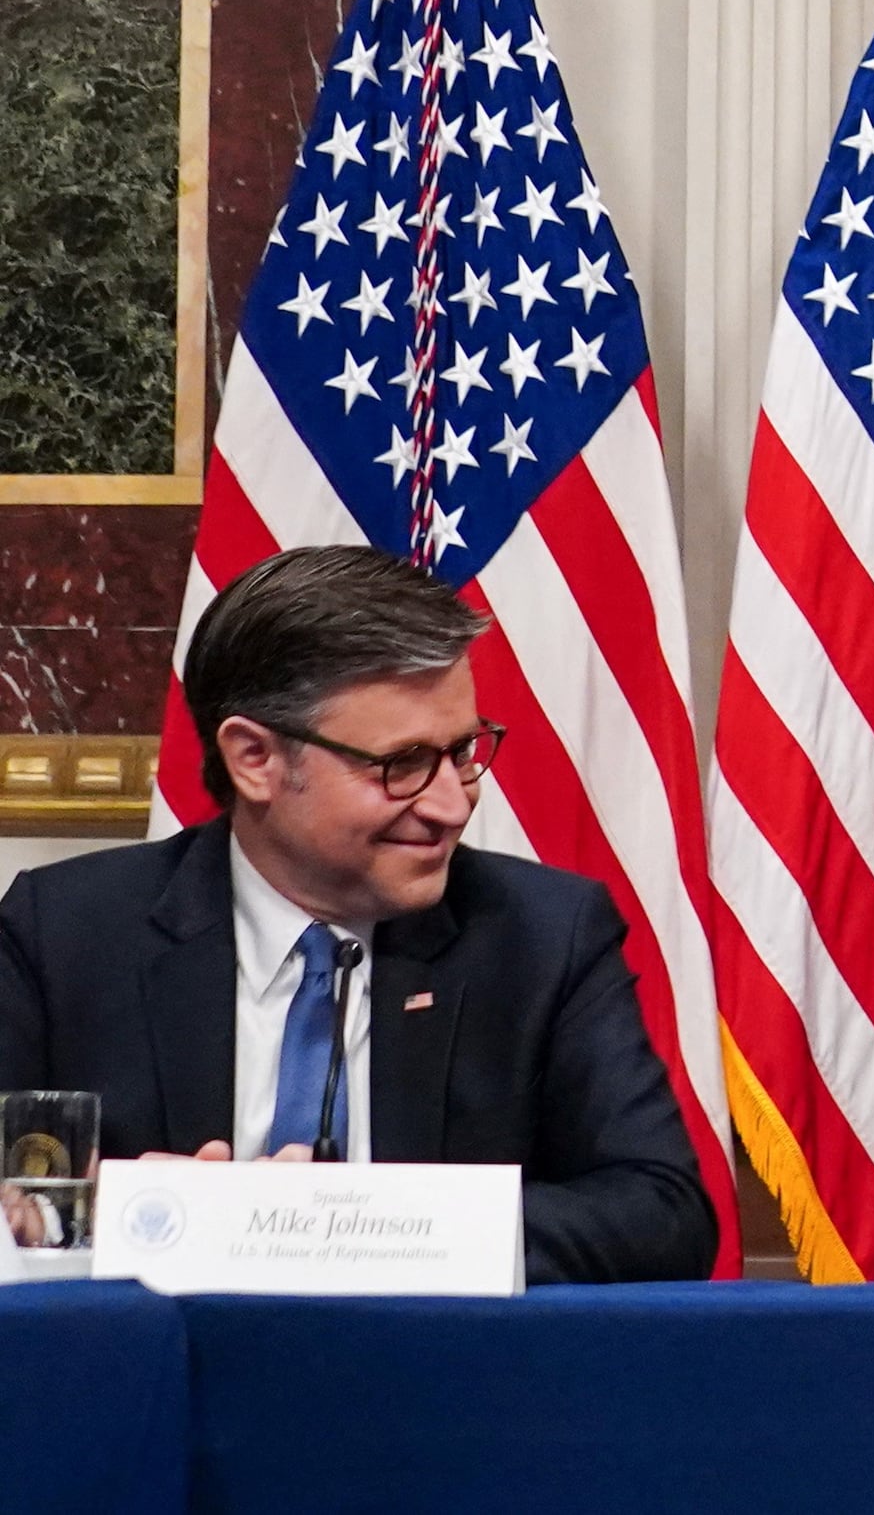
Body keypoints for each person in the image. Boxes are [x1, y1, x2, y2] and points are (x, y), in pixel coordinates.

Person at [0, 546, 715, 1283]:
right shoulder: (63, 933)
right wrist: (125, 1217)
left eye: (463, 751)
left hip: (440, 1383)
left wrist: (361, 1225)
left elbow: (663, 1215)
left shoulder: (543, 934)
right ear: (255, 759)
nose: (452, 803)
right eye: (401, 763)